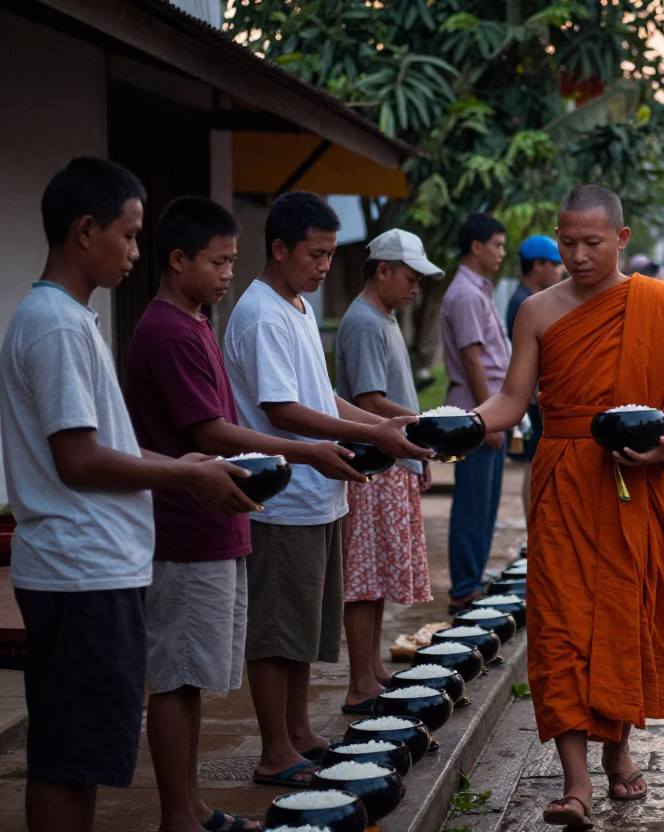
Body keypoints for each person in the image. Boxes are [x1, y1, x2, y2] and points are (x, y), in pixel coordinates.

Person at [0, 158, 254, 832]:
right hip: (78, 569)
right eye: (130, 235)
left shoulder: (72, 320)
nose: (137, 253)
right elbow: (79, 460)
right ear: (86, 231)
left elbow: (101, 440)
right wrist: (185, 474)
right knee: (70, 758)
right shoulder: (54, 324)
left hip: (96, 566)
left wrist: (184, 461)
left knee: (84, 750)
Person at [474, 184, 664, 828]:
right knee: (560, 624)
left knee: (623, 617)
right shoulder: (536, 311)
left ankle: (619, 753)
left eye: (592, 243)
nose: (577, 256)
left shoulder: (663, 308)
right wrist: (460, 425)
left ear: (622, 240)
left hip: (634, 482)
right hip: (562, 483)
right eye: (567, 243)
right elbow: (511, 401)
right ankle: (575, 781)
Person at [125, 196, 362, 832]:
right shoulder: (178, 329)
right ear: (178, 261)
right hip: (196, 520)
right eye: (218, 261)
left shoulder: (199, 320)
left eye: (232, 260)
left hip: (223, 514)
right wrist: (308, 451)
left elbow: (244, 416)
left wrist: (373, 428)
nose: (228, 273)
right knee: (183, 672)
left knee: (198, 674)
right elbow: (216, 427)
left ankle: (194, 806)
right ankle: (194, 803)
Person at [223, 191, 430, 788]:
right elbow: (282, 409)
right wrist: (368, 431)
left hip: (318, 492)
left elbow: (320, 395)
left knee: (307, 628)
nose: (323, 266)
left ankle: (297, 733)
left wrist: (382, 427)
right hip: (282, 498)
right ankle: (273, 750)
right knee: (277, 629)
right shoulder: (261, 312)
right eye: (315, 254)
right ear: (279, 248)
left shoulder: (299, 307)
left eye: (330, 253)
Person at [336, 229, 445, 713]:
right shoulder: (363, 321)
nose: (414, 287)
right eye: (409, 276)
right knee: (364, 576)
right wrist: (426, 427)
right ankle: (361, 681)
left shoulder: (384, 317)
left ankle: (374, 668)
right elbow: (369, 400)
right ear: (382, 270)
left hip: (392, 460)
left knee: (377, 573)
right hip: (372, 465)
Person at [440, 212, 511, 613]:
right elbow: (473, 360)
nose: (502, 252)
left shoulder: (479, 289)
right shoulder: (466, 294)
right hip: (475, 410)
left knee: (485, 502)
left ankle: (473, 581)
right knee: (472, 502)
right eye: (497, 245)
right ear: (477, 247)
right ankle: (464, 587)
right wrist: (487, 418)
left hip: (485, 410)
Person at [506, 235, 565, 520]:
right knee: (535, 466)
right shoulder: (525, 303)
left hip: (536, 396)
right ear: (538, 265)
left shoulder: (528, 298)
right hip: (531, 399)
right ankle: (535, 529)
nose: (560, 270)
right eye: (555, 264)